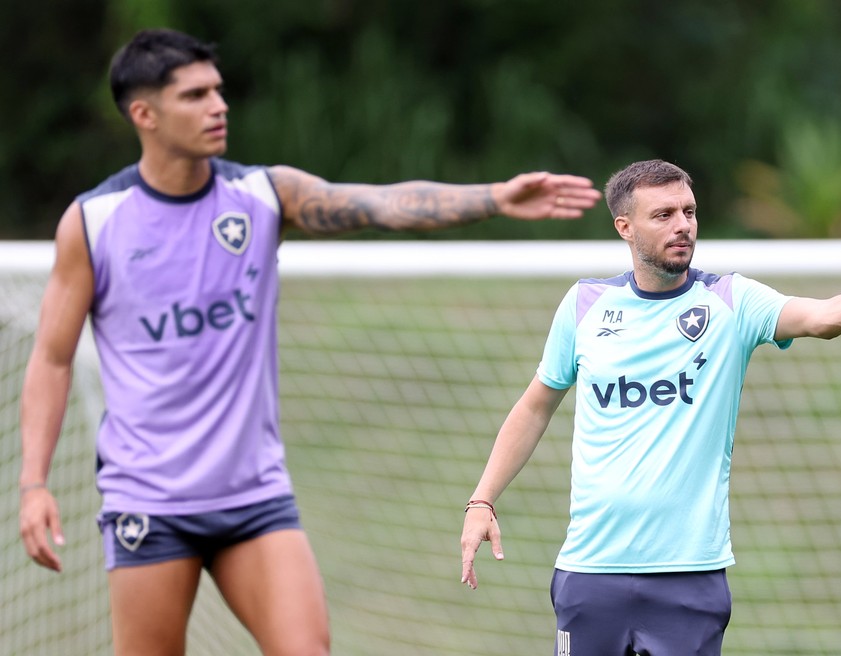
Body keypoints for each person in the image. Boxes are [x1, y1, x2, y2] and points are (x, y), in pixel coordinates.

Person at [17, 27, 601, 656]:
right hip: (149, 502)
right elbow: (51, 359)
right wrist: (33, 483)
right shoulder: (94, 223)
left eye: (218, 90)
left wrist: (495, 197)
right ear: (144, 114)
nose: (219, 106)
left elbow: (378, 204)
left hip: (253, 497)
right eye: (194, 95)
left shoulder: (263, 196)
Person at [459, 158, 841, 655]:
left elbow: (823, 317)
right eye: (663, 215)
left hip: (690, 575)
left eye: (689, 211)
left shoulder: (731, 300)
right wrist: (482, 500)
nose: (683, 225)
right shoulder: (584, 305)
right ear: (625, 227)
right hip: (591, 572)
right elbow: (534, 407)